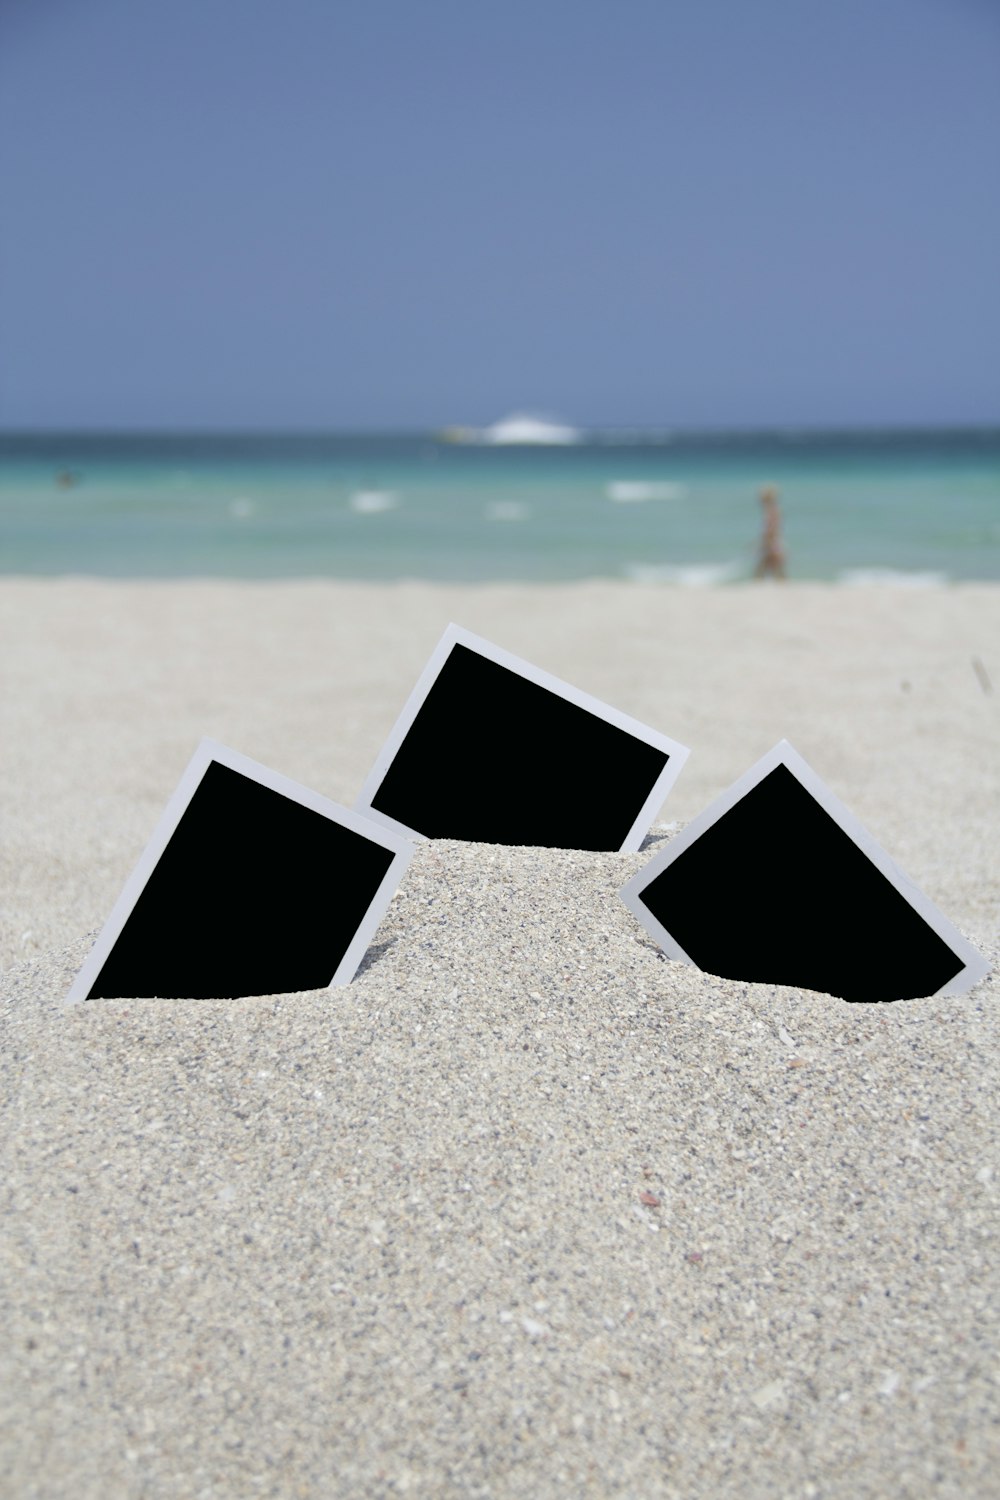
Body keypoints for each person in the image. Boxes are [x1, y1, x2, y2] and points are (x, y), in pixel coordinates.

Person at [754, 483, 786, 580]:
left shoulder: (771, 511)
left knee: (762, 571)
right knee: (776, 571)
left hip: (772, 545)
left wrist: (765, 543)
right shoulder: (774, 510)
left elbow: (771, 529)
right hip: (774, 544)